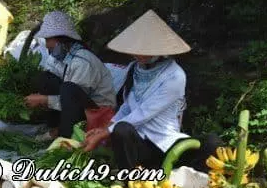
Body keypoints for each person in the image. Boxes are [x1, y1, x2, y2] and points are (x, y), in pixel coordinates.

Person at [82, 10, 219, 172]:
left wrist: (105, 132)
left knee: (212, 143)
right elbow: (127, 106)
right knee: (122, 130)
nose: (136, 54)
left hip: (165, 142)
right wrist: (108, 126)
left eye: (143, 50)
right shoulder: (134, 69)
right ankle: (131, 179)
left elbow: (144, 112)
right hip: (139, 143)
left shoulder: (175, 76)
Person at [24, 11, 117, 141]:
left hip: (98, 111)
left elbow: (72, 99)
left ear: (62, 40)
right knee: (46, 78)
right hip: (78, 103)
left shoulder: (82, 62)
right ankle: (53, 126)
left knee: (68, 89)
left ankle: (65, 136)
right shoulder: (63, 56)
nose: (47, 45)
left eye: (48, 40)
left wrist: (44, 99)